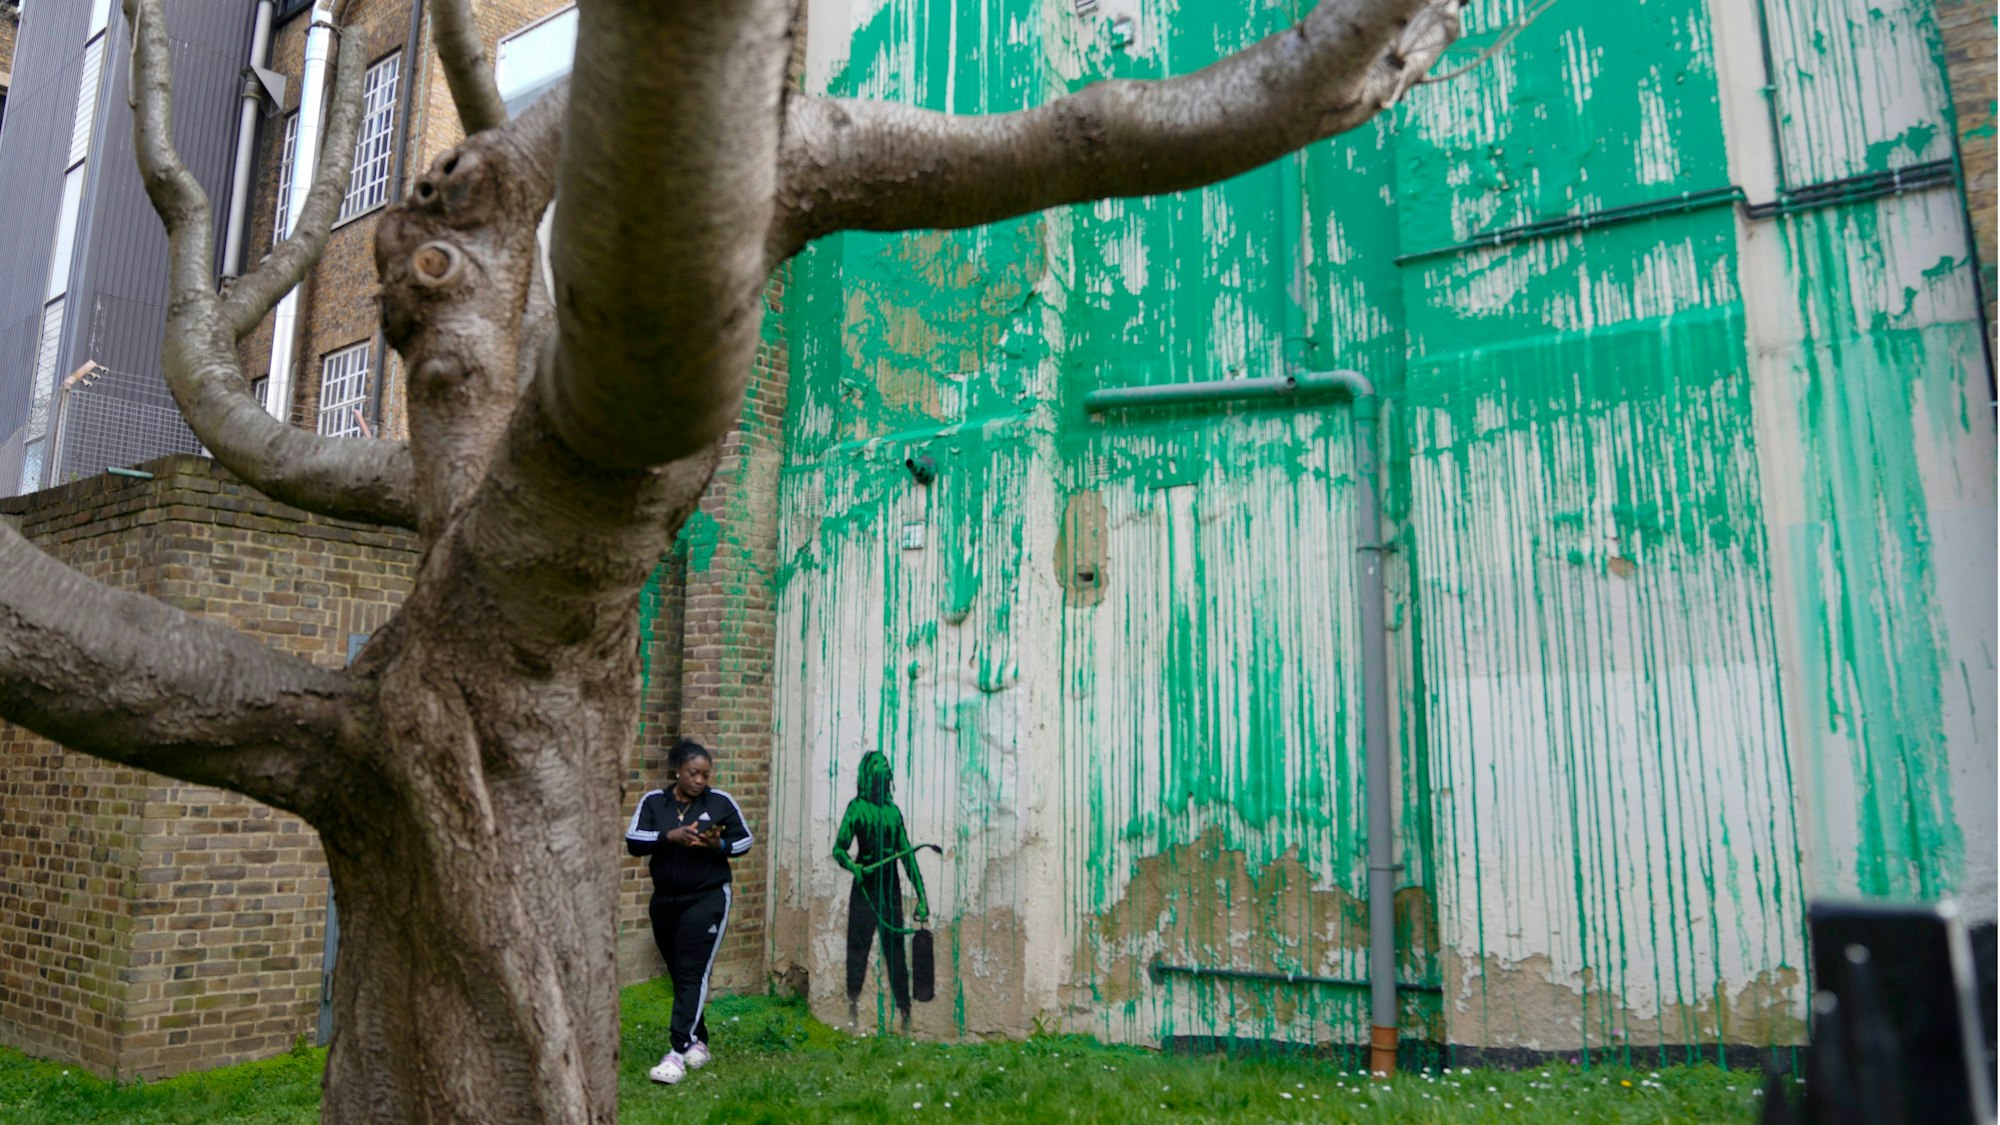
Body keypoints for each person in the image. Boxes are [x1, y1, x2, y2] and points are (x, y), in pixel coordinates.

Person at [625, 738, 753, 1085]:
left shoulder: (719, 801)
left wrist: (719, 845)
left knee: (691, 972)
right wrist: (670, 836)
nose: (700, 780)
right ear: (677, 771)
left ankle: (677, 1052)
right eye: (693, 773)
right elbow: (634, 840)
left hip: (707, 898)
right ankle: (699, 1041)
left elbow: (745, 841)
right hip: (665, 900)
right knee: (679, 971)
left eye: (705, 775)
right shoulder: (654, 802)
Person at [832, 750, 928, 1027]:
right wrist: (855, 868)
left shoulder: (892, 813)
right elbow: (839, 849)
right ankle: (852, 1006)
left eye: (886, 767)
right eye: (878, 766)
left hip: (890, 887)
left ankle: (905, 1012)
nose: (883, 770)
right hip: (864, 885)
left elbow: (907, 857)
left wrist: (921, 896)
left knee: (895, 950)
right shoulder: (857, 808)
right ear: (868, 774)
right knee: (858, 947)